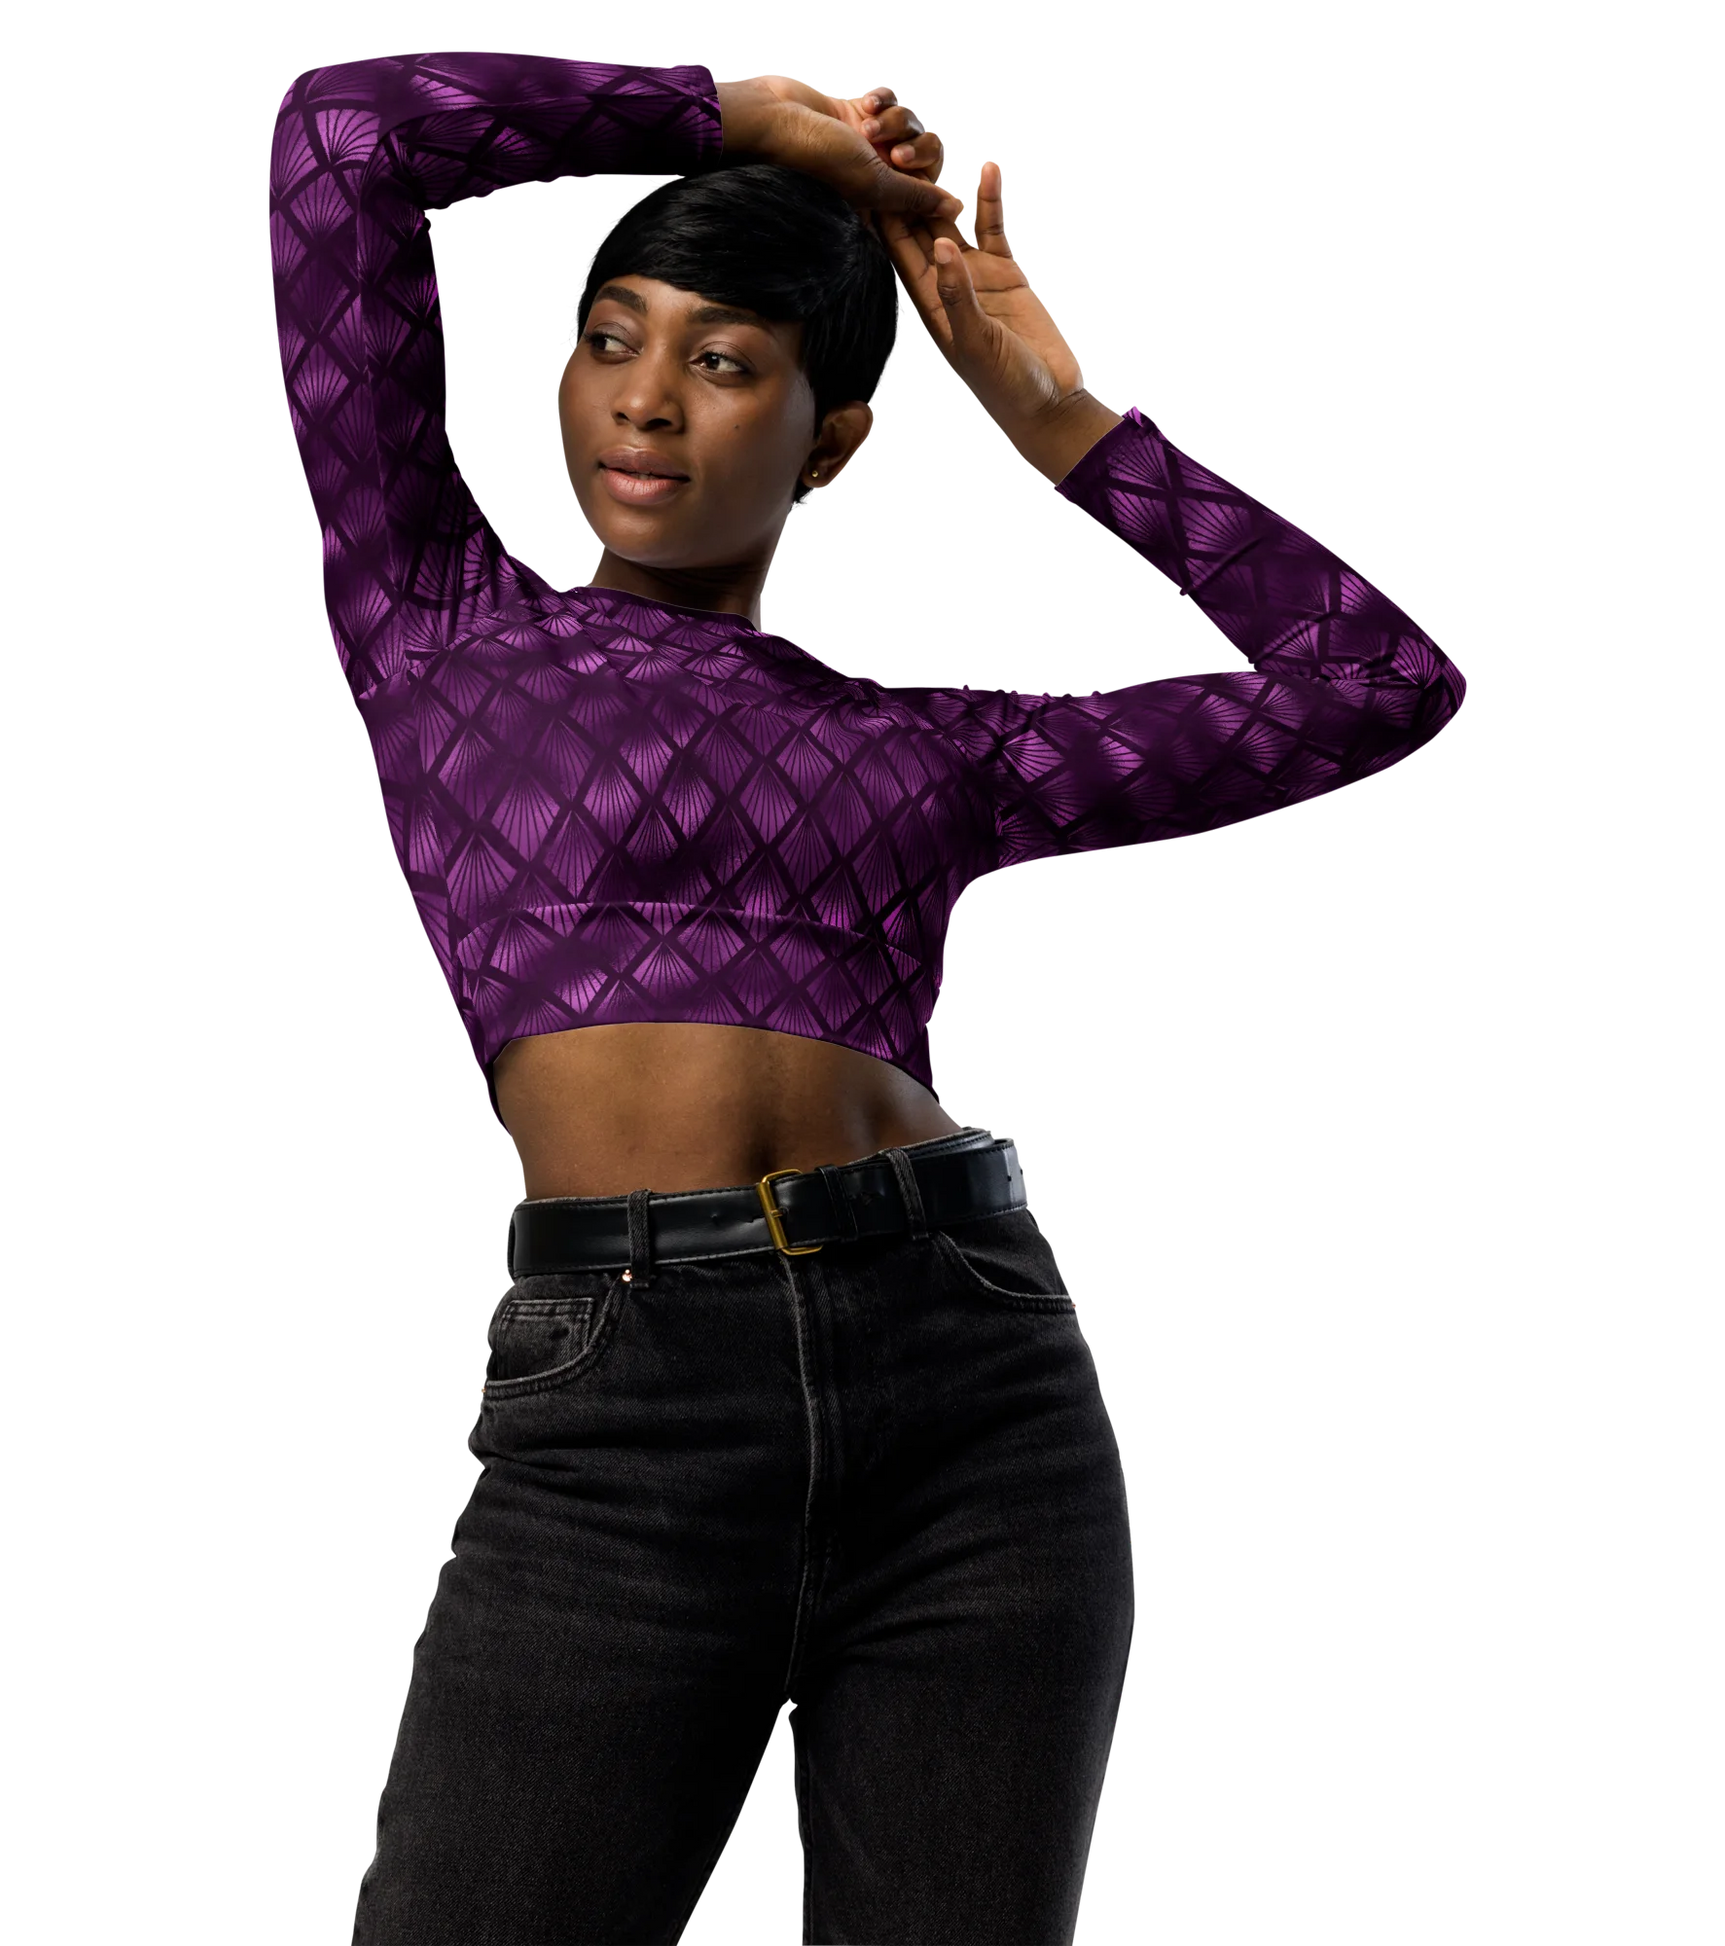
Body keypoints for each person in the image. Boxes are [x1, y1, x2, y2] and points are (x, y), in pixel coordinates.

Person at [267, 51, 1468, 1945]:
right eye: (610, 338)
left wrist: (1057, 418)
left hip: (973, 1383)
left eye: (726, 361)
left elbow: (1378, 683)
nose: (644, 398)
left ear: (828, 444)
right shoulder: (434, 621)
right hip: (621, 1408)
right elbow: (344, 134)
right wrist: (721, 113)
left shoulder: (931, 746)